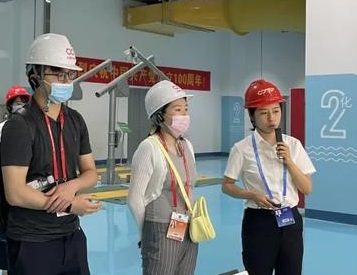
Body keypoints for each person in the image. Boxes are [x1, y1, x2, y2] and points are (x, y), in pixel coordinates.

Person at [0, 33, 102, 275]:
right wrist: (70, 204)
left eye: (70, 74)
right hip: (32, 239)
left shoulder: (75, 120)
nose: (65, 81)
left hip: (72, 236)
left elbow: (90, 172)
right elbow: (15, 193)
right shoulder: (20, 125)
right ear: (34, 75)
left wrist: (71, 186)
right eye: (57, 74)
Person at [222, 79, 315, 275]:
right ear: (252, 116)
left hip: (289, 218)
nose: (271, 118)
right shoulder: (241, 149)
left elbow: (307, 188)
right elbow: (227, 185)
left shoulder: (293, 145)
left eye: (276, 111)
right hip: (259, 221)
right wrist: (251, 195)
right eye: (264, 113)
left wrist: (289, 160)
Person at [127, 80, 199, 275]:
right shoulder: (149, 147)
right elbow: (134, 199)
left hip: (189, 227)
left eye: (186, 109)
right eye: (177, 110)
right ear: (159, 115)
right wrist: (146, 232)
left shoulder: (187, 146)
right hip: (160, 228)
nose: (184, 115)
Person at [0, 84, 31, 275]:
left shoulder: (33, 126)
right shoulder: (1, 128)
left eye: (23, 101)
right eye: (16, 102)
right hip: (5, 189)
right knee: (5, 235)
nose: (19, 105)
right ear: (9, 105)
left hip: (29, 188)